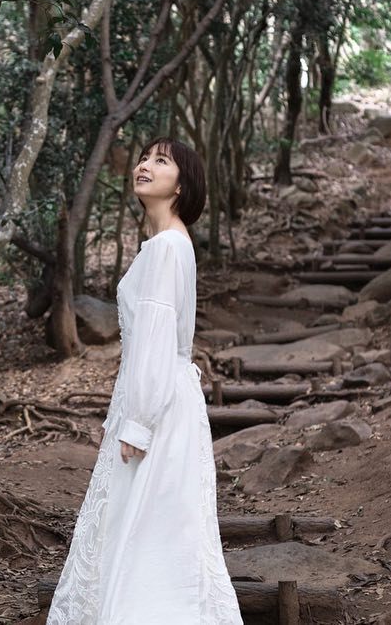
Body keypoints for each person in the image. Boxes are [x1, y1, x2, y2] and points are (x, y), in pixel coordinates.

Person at [46, 138, 242, 624]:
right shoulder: (167, 244)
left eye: (161, 161)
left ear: (181, 185)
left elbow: (156, 337)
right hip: (159, 401)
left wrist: (139, 422)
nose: (144, 166)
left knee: (146, 538)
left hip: (158, 408)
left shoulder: (168, 247)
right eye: (144, 158)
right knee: (150, 534)